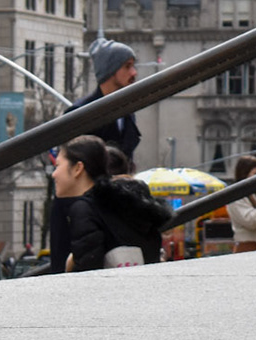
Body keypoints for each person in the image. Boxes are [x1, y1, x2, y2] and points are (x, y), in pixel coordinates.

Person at [47, 37, 144, 273]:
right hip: (78, 215)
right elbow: (67, 169)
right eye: (127, 66)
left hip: (111, 212)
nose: (134, 72)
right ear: (110, 71)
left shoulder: (127, 113)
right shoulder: (81, 113)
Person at [54, 135, 173, 271]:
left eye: (57, 165)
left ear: (78, 168)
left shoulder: (85, 209)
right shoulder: (129, 202)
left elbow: (87, 273)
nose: (54, 174)